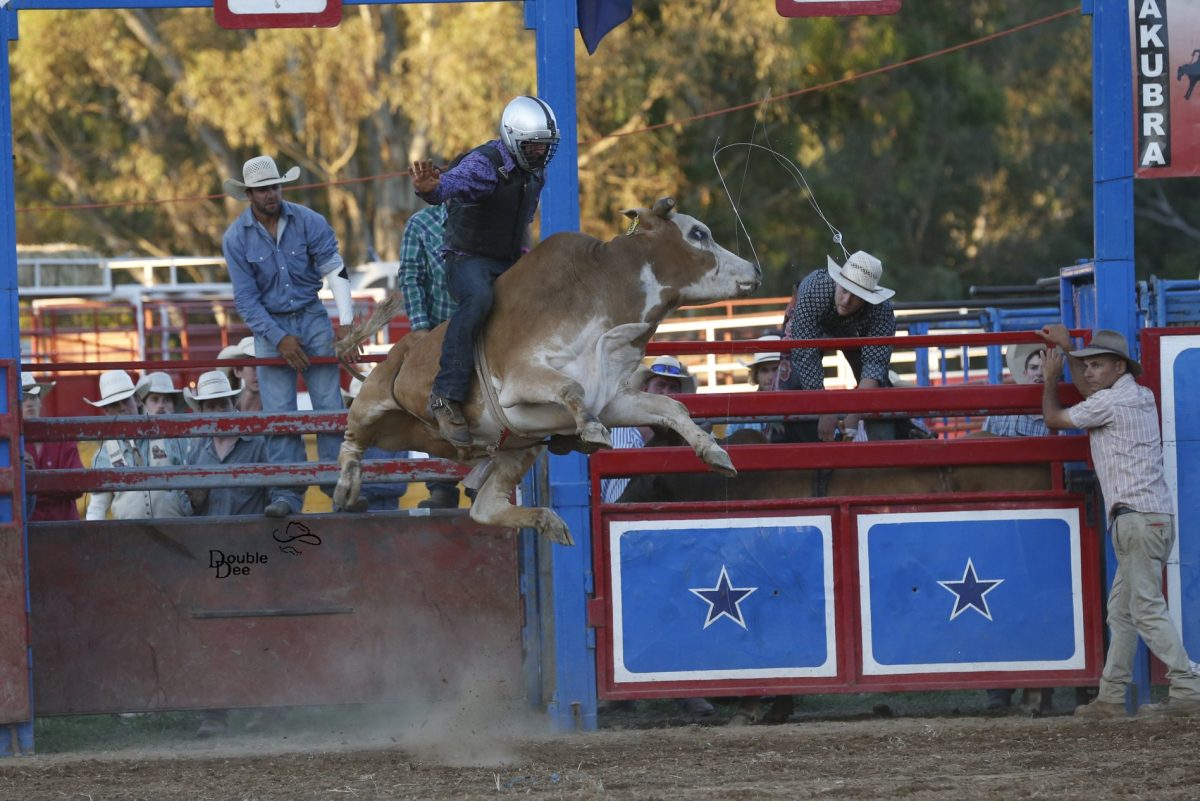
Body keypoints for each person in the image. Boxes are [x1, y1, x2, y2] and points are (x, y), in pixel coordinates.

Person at [1038, 325, 1200, 718]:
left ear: (1116, 368)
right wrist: (1069, 350)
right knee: (1124, 611)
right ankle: (1110, 697)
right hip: (1153, 518)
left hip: (1134, 520)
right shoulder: (1136, 395)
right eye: (1086, 366)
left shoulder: (1110, 403)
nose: (1089, 373)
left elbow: (1054, 419)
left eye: (1096, 366)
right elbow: (1092, 395)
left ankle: (1189, 686)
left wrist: (1051, 379)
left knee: (1141, 608)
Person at [411, 95, 561, 446]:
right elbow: (452, 184)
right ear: (512, 138)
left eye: (545, 146)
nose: (540, 152)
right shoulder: (483, 165)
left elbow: (521, 220)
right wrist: (432, 191)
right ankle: (446, 395)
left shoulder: (535, 173)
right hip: (467, 259)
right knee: (479, 299)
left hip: (507, 258)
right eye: (533, 145)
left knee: (548, 303)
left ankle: (547, 396)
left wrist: (525, 258)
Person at [222, 155, 357, 518]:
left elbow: (334, 267)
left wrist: (345, 323)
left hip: (311, 316)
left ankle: (335, 487)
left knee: (328, 406)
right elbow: (246, 300)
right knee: (280, 414)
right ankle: (287, 491)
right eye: (263, 189)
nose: (271, 194)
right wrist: (279, 337)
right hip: (270, 325)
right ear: (249, 193)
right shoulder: (236, 237)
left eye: (275, 186)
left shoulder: (308, 220)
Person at [978, 343, 1057, 713]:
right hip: (1003, 518)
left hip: (1041, 520)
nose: (1039, 371)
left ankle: (1036, 686)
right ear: (1021, 371)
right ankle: (1002, 687)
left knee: (1032, 597)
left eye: (1044, 365)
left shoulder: (1057, 412)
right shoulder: (1000, 411)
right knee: (1001, 598)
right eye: (1033, 365)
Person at [775, 251, 901, 443]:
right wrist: (824, 408)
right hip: (811, 327)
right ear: (837, 282)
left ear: (867, 298)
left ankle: (892, 442)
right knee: (792, 378)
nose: (846, 300)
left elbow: (874, 367)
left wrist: (855, 414)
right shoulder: (813, 288)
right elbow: (804, 353)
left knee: (880, 386)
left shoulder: (882, 312)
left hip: (856, 333)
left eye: (856, 296)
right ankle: (793, 445)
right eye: (844, 290)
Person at [397, 203, 460, 509]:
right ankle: (441, 484)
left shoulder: (485, 216)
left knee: (480, 407)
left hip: (478, 328)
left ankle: (476, 483)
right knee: (436, 406)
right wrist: (422, 331)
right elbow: (410, 277)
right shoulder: (421, 223)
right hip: (438, 330)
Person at [84, 370, 186, 521]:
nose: (122, 408)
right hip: (132, 536)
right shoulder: (104, 454)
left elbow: (189, 489)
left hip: (174, 529)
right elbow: (98, 506)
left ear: (137, 400)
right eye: (114, 404)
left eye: (125, 400)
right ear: (106, 411)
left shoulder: (171, 436)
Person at [178, 371, 271, 518]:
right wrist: (193, 502)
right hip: (209, 536)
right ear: (201, 411)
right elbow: (184, 505)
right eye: (211, 406)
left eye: (223, 404)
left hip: (249, 536)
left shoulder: (258, 444)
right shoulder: (197, 448)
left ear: (233, 405)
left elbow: (274, 494)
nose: (218, 412)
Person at [20, 372, 84, 522]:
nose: (29, 403)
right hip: (53, 527)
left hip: (53, 530)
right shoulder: (62, 435)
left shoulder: (62, 435)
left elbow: (77, 486)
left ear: (40, 401)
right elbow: (75, 485)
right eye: (22, 398)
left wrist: (31, 482)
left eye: (34, 396)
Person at [340, 377, 411, 511]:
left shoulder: (396, 437)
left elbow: (398, 486)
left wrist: (358, 488)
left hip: (382, 513)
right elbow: (397, 485)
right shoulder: (397, 436)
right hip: (385, 513)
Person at [725, 334, 781, 439]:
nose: (770, 377)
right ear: (756, 375)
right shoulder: (742, 408)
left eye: (775, 369)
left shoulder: (743, 407)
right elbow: (729, 441)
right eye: (764, 370)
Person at [218, 336, 262, 412]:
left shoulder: (274, 405)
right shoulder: (227, 408)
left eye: (263, 367)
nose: (259, 373)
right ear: (237, 371)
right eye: (253, 367)